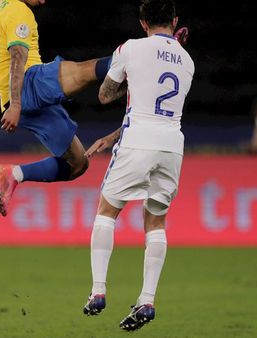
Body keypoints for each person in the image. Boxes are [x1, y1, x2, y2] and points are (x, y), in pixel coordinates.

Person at [81, 0, 194, 331]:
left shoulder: (130, 48)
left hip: (137, 141)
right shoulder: (187, 61)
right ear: (174, 21)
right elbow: (157, 110)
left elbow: (104, 95)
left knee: (107, 211)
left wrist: (131, 75)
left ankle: (98, 291)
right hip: (172, 145)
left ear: (143, 23)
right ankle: (147, 299)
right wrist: (113, 136)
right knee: (156, 222)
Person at [0, 0, 114, 216]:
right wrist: (16, 104)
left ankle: (15, 174)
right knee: (83, 71)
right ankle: (131, 58)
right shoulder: (19, 10)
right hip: (28, 85)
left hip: (18, 103)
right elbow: (18, 56)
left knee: (78, 163)